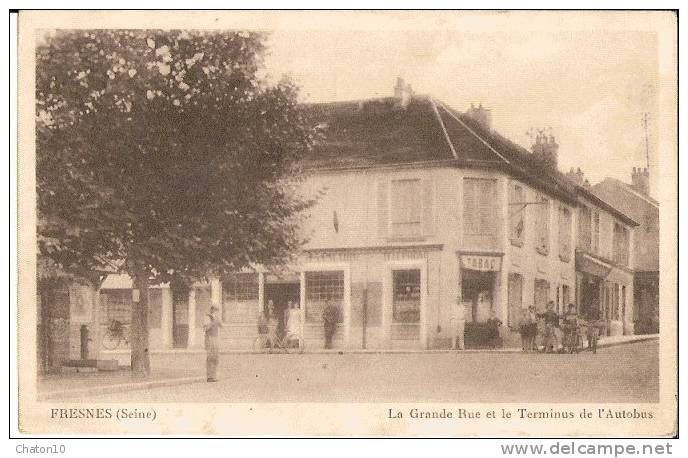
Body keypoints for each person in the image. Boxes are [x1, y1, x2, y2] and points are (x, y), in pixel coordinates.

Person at [203, 305, 222, 382]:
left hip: (215, 338)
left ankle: (213, 376)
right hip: (209, 338)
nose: (216, 313)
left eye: (217, 311)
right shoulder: (207, 317)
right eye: (216, 311)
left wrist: (218, 321)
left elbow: (221, 326)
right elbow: (205, 328)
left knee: (215, 357)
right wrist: (213, 322)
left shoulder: (216, 318)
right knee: (210, 357)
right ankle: (209, 376)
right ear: (212, 310)